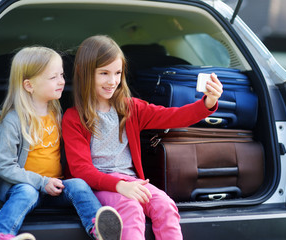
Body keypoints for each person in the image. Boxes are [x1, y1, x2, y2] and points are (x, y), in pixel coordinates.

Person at [62, 35, 223, 240]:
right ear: (83, 73)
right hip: (98, 187)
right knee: (131, 208)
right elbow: (81, 170)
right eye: (104, 73)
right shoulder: (73, 118)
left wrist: (208, 103)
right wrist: (120, 186)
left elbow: (173, 116)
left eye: (117, 73)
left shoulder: (131, 108)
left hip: (131, 182)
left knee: (165, 205)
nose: (112, 81)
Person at [0, 46, 122, 240]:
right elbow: (5, 167)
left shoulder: (57, 114)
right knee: (27, 192)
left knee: (78, 184)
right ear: (29, 85)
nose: (62, 81)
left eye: (62, 75)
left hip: (55, 188)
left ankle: (98, 229)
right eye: (53, 78)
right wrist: (42, 182)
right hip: (25, 187)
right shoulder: (13, 121)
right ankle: (0, 235)